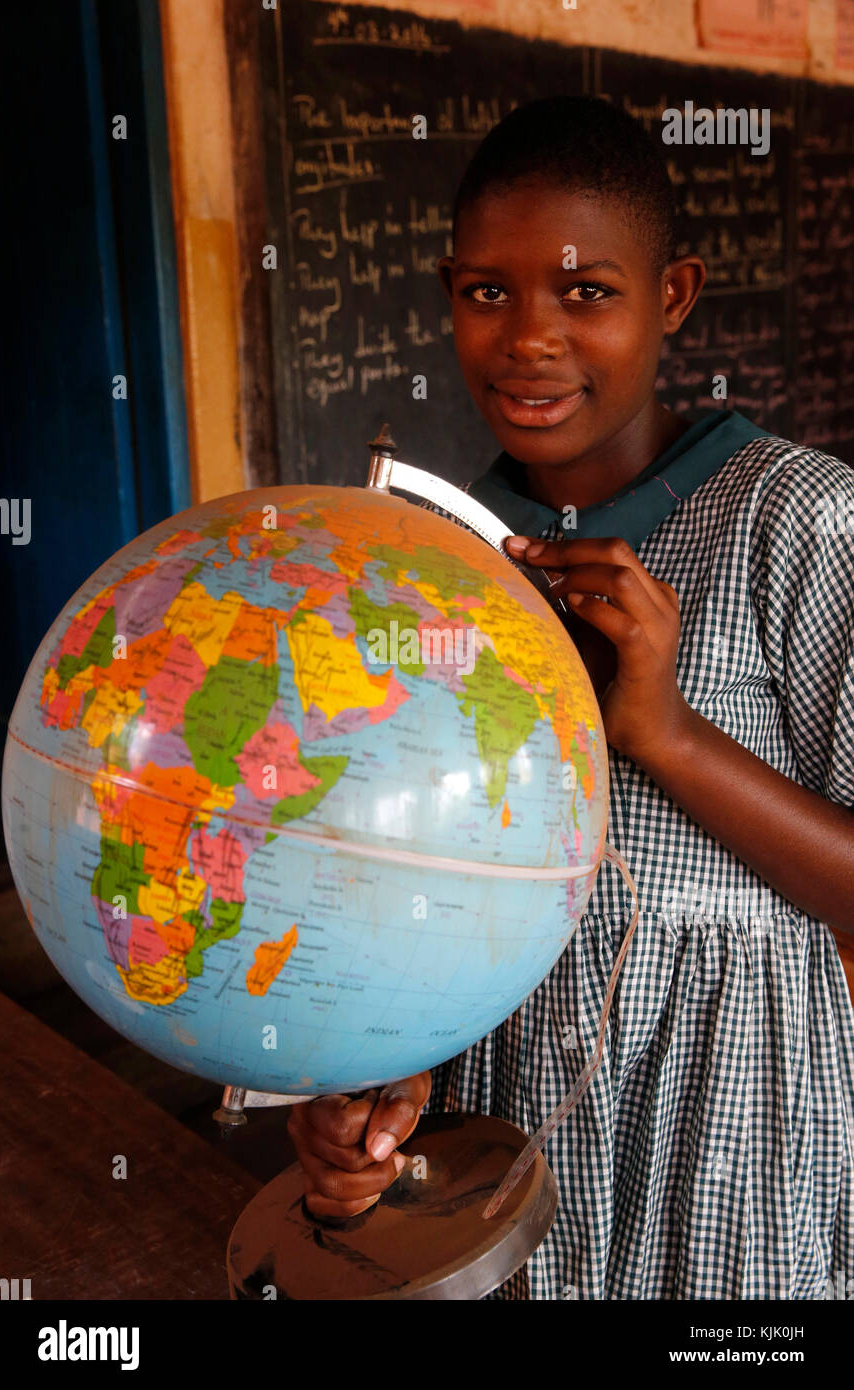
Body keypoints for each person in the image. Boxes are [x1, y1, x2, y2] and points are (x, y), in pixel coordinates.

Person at [288, 95, 854, 1299]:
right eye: (486, 292)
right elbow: (408, 870)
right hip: (499, 1104)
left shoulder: (794, 517)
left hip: (726, 1114)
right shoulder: (434, 560)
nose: (527, 338)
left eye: (584, 292)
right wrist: (373, 1081)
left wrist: (663, 732)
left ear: (673, 296)